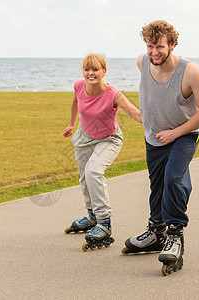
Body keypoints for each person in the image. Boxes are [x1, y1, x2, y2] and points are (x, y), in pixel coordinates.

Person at [121, 20, 199, 275]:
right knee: (158, 183)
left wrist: (175, 132)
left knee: (174, 178)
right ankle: (156, 231)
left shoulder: (190, 71)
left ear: (173, 44)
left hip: (185, 133)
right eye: (150, 46)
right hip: (154, 136)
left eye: (160, 47)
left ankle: (175, 235)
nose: (154, 52)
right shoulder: (142, 62)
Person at [63, 53, 142, 251]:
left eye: (95, 69)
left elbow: (134, 112)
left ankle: (104, 223)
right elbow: (76, 102)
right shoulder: (79, 85)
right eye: (87, 69)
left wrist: (160, 124)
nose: (91, 73)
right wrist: (71, 124)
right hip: (84, 136)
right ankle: (91, 216)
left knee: (93, 172)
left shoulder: (113, 94)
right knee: (84, 178)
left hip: (108, 138)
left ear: (104, 72)